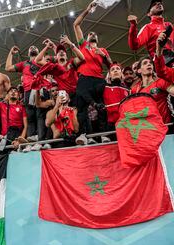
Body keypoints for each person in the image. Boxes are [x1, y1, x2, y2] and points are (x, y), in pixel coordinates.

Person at [73, 1, 112, 144]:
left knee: (102, 107)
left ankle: (103, 134)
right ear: (87, 38)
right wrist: (87, 11)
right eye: (90, 34)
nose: (92, 34)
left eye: (94, 34)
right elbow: (76, 25)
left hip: (98, 80)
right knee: (82, 108)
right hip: (84, 79)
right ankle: (84, 135)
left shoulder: (103, 50)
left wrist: (103, 54)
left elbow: (111, 66)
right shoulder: (83, 45)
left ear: (97, 38)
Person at [132, 57, 174, 124]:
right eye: (145, 63)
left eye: (151, 63)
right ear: (139, 70)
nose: (149, 64)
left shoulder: (161, 82)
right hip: (147, 128)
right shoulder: (134, 90)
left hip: (164, 126)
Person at [6, 45, 41, 142]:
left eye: (35, 47)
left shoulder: (42, 61)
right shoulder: (24, 64)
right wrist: (11, 53)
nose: (33, 47)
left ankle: (41, 141)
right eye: (30, 47)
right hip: (28, 92)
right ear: (28, 53)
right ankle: (30, 142)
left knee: (40, 116)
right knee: (30, 118)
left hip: (40, 91)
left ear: (39, 51)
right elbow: (8, 68)